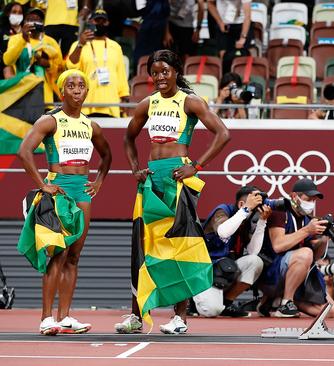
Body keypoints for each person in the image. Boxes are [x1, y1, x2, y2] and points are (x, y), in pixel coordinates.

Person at [117, 49, 230, 335]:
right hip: (152, 180)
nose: (159, 77)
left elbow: (223, 133)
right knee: (143, 247)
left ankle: (179, 317)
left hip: (178, 179)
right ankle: (136, 315)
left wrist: (197, 166)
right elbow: (128, 138)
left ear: (176, 72)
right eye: (154, 73)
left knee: (179, 247)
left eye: (164, 71)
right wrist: (135, 169)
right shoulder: (147, 103)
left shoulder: (190, 101)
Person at [17, 69, 112, 335]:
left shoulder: (91, 125)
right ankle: (47, 318)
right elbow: (24, 151)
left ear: (87, 91)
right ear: (62, 91)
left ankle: (66, 316)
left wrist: (99, 182)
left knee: (74, 256)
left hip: (82, 190)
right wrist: (42, 184)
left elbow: (107, 156)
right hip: (59, 189)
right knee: (58, 254)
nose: (77, 89)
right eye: (71, 85)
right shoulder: (50, 121)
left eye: (81, 85)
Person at [258, 178, 334, 318]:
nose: (311, 203)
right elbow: (278, 245)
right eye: (308, 198)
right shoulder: (280, 211)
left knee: (330, 310)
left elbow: (315, 256)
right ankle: (285, 303)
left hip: (295, 273)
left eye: (314, 200)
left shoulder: (307, 219)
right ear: (294, 196)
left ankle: (281, 301)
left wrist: (324, 239)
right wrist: (307, 231)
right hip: (270, 271)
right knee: (305, 253)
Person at [194, 185, 271, 317]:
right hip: (203, 271)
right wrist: (246, 210)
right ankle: (193, 299)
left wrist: (262, 222)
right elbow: (223, 232)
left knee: (255, 261)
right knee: (212, 311)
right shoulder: (223, 211)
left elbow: (253, 252)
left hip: (223, 272)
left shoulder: (245, 221)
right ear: (242, 203)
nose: (257, 209)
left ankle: (227, 302)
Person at [66, 9, 129, 118]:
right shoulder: (78, 44)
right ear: (90, 22)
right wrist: (80, 44)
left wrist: (124, 96)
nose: (100, 23)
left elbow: (121, 75)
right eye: (97, 20)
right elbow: (71, 65)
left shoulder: (115, 46)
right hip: (86, 104)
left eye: (103, 21)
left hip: (111, 104)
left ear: (108, 23)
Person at [2, 8, 64, 105]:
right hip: (22, 95)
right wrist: (23, 39)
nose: (34, 22)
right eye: (30, 19)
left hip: (46, 97)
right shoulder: (15, 39)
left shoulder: (51, 41)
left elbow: (61, 69)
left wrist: (48, 65)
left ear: (42, 23)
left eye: (38, 20)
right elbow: (7, 60)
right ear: (25, 22)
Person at [1, 2, 24, 79]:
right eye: (14, 12)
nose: (17, 15)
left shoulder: (27, 32)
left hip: (25, 66)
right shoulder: (2, 31)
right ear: (8, 13)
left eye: (20, 13)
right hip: (5, 68)